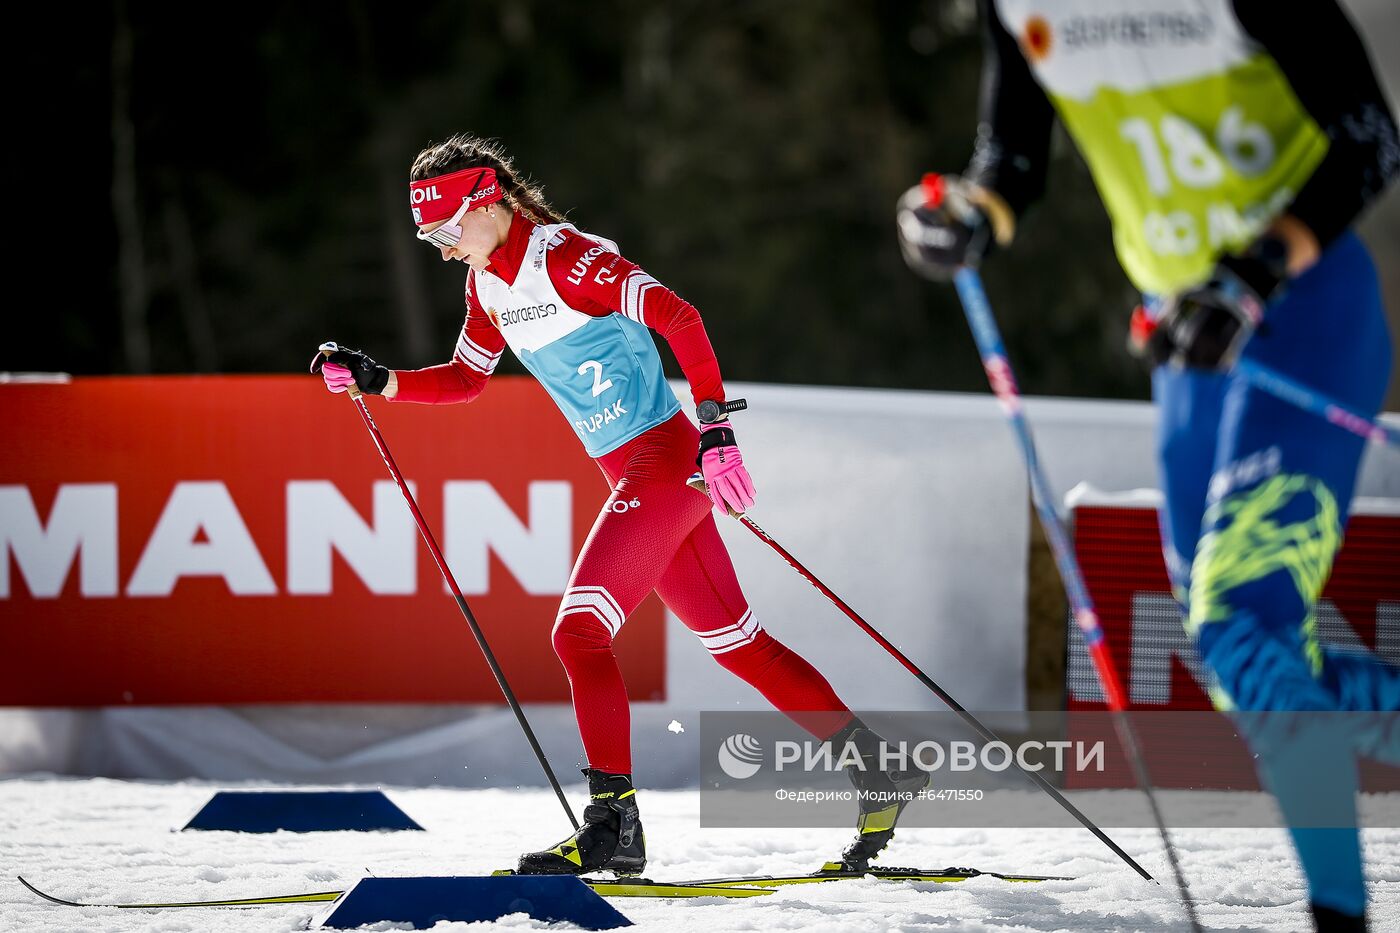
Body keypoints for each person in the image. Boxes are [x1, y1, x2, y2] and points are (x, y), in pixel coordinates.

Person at [896, 2, 1398, 930]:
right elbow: (1012, 162)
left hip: (1302, 311)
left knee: (1240, 620)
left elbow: (1370, 139)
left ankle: (1340, 914)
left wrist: (1253, 274)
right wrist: (965, 215)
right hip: (1189, 344)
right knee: (1237, 654)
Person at [314, 134, 927, 876]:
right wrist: (379, 380)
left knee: (578, 635)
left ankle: (614, 825)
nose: (443, 251)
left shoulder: (569, 259)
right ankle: (878, 769)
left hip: (663, 460)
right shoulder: (486, 286)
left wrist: (716, 429)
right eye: (430, 239)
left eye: (447, 231)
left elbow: (681, 317)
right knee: (739, 644)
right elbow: (466, 380)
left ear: (487, 202)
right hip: (641, 473)